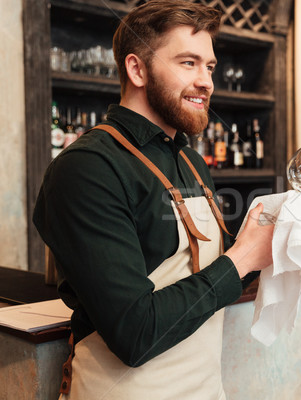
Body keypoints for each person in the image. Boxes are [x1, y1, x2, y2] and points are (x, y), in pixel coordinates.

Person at [33, 1, 274, 398]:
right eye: (188, 63)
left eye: (209, 66)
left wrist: (264, 246)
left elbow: (209, 273)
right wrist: (243, 258)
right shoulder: (88, 167)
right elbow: (135, 333)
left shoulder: (191, 162)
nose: (206, 82)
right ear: (137, 69)